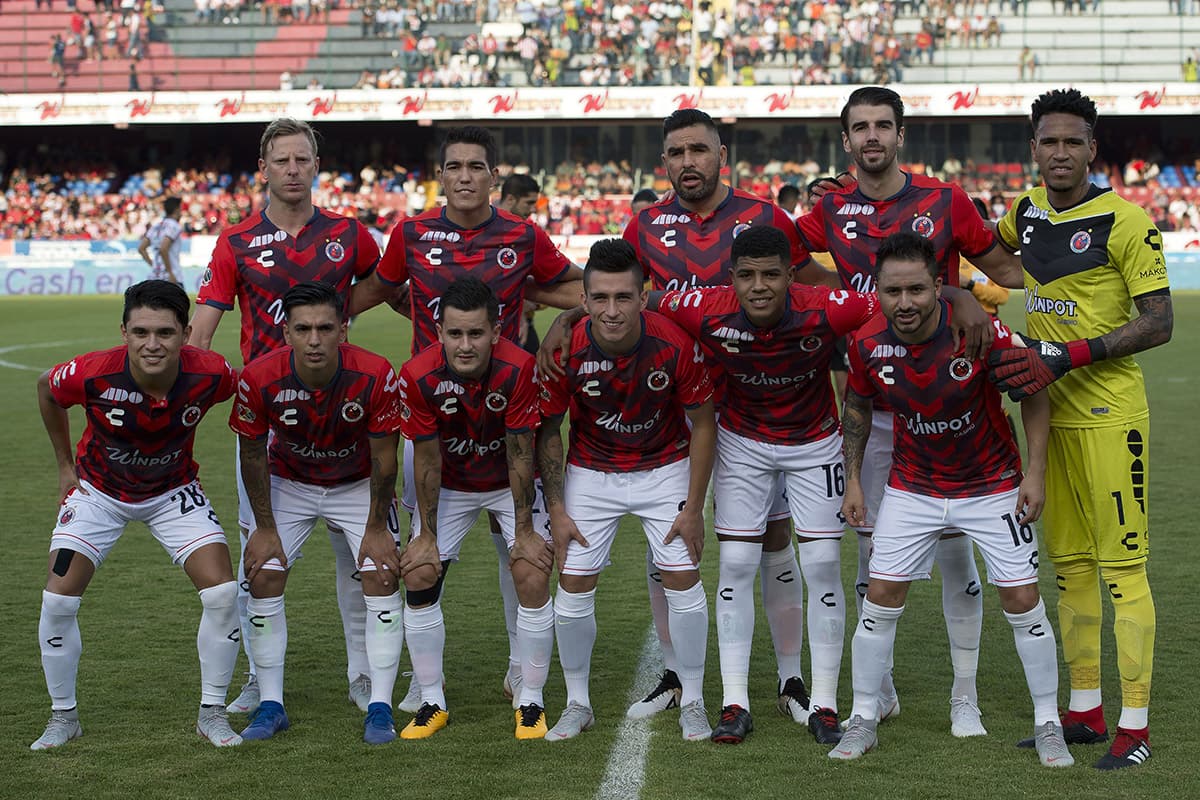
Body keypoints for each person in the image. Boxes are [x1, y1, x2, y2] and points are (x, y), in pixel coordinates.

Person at [544, 108, 828, 741]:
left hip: (758, 404)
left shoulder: (763, 217)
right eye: (677, 152)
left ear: (721, 154)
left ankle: (789, 678)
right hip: (677, 413)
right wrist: (568, 319)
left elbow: (809, 287)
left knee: (773, 539)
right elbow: (613, 292)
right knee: (669, 550)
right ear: (664, 162)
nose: (688, 162)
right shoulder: (644, 225)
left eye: (700, 149)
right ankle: (678, 675)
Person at [795, 86, 1026, 738]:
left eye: (882, 125)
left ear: (901, 134)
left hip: (947, 403)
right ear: (846, 141)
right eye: (860, 127)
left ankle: (964, 697)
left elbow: (1001, 266)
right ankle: (880, 692)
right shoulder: (831, 207)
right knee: (873, 558)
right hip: (872, 403)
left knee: (958, 555)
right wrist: (844, 301)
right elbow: (780, 256)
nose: (872, 137)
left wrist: (963, 293)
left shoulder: (944, 200)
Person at [365, 125, 583, 713]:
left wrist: (572, 315)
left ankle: (520, 663)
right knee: (425, 550)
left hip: (506, 411)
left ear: (493, 176)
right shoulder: (409, 233)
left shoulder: (520, 233)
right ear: (442, 175)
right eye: (455, 165)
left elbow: (567, 284)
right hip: (432, 415)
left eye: (476, 166)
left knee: (518, 549)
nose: (465, 175)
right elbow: (380, 289)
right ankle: (421, 677)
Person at [832, 232, 1070, 767]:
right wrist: (852, 480)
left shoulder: (978, 330)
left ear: (938, 286)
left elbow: (1033, 392)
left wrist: (1035, 474)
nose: (905, 302)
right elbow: (858, 409)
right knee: (881, 596)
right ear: (878, 290)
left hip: (992, 486)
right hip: (913, 486)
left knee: (1022, 600)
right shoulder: (867, 344)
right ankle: (864, 717)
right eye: (893, 291)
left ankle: (1048, 722)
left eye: (917, 289)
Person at [986, 88, 1173, 770]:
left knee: (1123, 570)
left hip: (1109, 414)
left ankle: (1136, 727)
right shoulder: (1024, 212)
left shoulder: (1126, 222)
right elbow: (989, 256)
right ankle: (1086, 712)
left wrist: (1065, 354)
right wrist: (984, 311)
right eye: (1048, 142)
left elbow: (1160, 321)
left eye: (1073, 141)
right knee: (1069, 570)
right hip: (1047, 417)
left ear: (1092, 150)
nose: (1060, 152)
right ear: (1032, 150)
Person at [189, 117, 397, 718]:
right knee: (262, 559)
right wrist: (184, 382)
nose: (292, 170)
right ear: (263, 169)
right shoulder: (235, 242)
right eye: (281, 160)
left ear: (314, 166)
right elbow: (206, 320)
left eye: (302, 159)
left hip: (343, 412)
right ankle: (260, 681)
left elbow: (382, 289)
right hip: (269, 415)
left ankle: (364, 676)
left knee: (360, 560)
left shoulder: (349, 234)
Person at [650, 225, 880, 743]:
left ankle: (823, 704)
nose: (760, 286)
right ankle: (735, 703)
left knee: (821, 562)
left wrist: (959, 297)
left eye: (772, 275)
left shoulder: (827, 306)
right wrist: (565, 322)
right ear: (730, 278)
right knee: (735, 562)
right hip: (741, 441)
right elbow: (638, 302)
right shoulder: (703, 306)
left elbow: (888, 305)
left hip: (816, 441)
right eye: (747, 275)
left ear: (790, 276)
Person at [32, 280, 242, 750]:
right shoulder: (90, 373)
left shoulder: (213, 375)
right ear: (124, 331)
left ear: (186, 333)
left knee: (224, 593)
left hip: (173, 491)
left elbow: (248, 400)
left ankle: (212, 713)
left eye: (165, 333)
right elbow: (47, 387)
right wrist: (66, 467)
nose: (153, 344)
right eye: (141, 331)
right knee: (58, 602)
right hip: (98, 492)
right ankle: (63, 716)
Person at [536, 238, 716, 743]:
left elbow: (703, 424)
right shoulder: (563, 348)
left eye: (623, 298)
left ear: (643, 297)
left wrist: (695, 507)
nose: (611, 310)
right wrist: (557, 508)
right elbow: (548, 430)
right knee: (572, 591)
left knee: (683, 581)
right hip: (592, 474)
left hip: (665, 468)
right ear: (584, 301)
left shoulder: (674, 343)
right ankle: (577, 704)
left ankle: (695, 700)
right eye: (600, 299)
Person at [229, 281, 404, 743]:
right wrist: (264, 527)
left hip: (357, 483)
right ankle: (270, 704)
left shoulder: (375, 373)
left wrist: (375, 528)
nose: (314, 340)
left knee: (381, 572)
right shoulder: (258, 377)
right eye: (302, 328)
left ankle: (380, 707)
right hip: (291, 482)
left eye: (325, 328)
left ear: (343, 330)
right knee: (263, 573)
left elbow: (387, 458)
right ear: (285, 332)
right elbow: (251, 454)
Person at [396, 277, 554, 740]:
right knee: (420, 573)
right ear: (438, 331)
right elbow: (425, 458)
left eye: (476, 334)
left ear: (497, 330)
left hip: (506, 481)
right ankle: (431, 700)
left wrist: (524, 531)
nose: (465, 345)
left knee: (531, 569)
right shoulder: (418, 374)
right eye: (455, 334)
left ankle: (531, 699)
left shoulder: (519, 368)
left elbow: (521, 452)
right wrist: (425, 534)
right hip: (452, 485)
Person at [139, 196, 185, 287]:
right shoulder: (174, 226)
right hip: (170, 278)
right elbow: (164, 248)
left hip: (154, 277)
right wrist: (170, 272)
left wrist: (153, 265)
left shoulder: (156, 226)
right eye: (181, 208)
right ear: (176, 209)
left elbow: (141, 248)